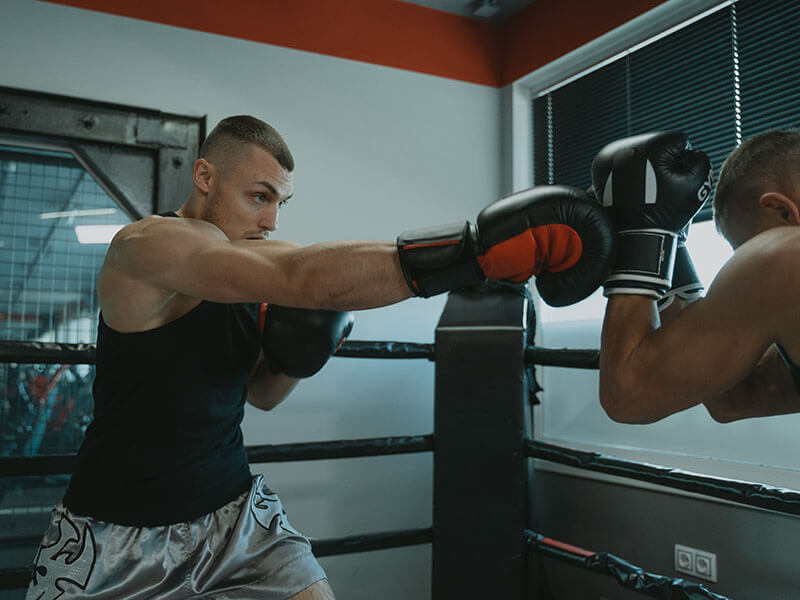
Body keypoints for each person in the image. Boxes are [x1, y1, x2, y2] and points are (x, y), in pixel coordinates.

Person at [25, 115, 614, 599]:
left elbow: (262, 393)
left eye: (280, 201)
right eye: (258, 196)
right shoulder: (147, 248)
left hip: (232, 515)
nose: (271, 219)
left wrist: (302, 347)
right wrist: (477, 253)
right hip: (116, 532)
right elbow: (303, 275)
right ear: (204, 176)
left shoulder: (245, 265)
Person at [595, 129, 800, 425]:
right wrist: (670, 247)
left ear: (781, 211)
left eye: (745, 247)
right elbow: (735, 398)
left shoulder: (784, 255)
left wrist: (641, 237)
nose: (748, 258)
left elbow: (626, 396)